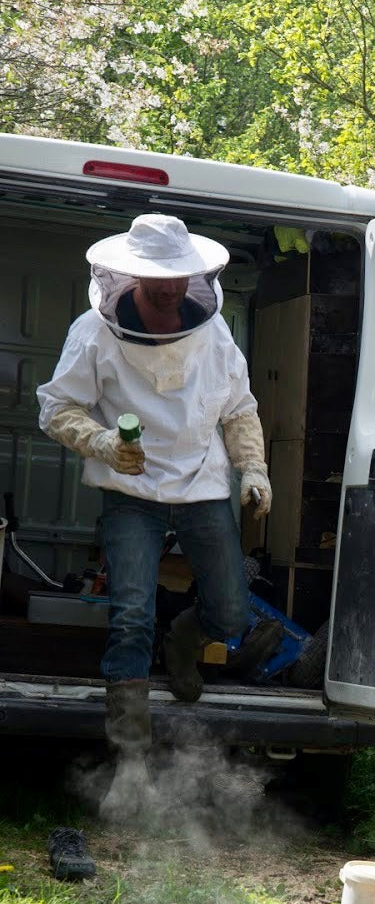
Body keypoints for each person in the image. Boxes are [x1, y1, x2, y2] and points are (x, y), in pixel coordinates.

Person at [36, 214, 271, 820]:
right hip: (129, 489)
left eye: (179, 277)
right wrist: (105, 444)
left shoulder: (214, 332)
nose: (170, 290)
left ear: (196, 274)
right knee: (130, 613)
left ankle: (185, 638)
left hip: (203, 484)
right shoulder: (93, 332)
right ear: (129, 273)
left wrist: (254, 470)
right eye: (156, 278)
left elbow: (240, 409)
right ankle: (132, 765)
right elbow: (57, 408)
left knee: (232, 613)